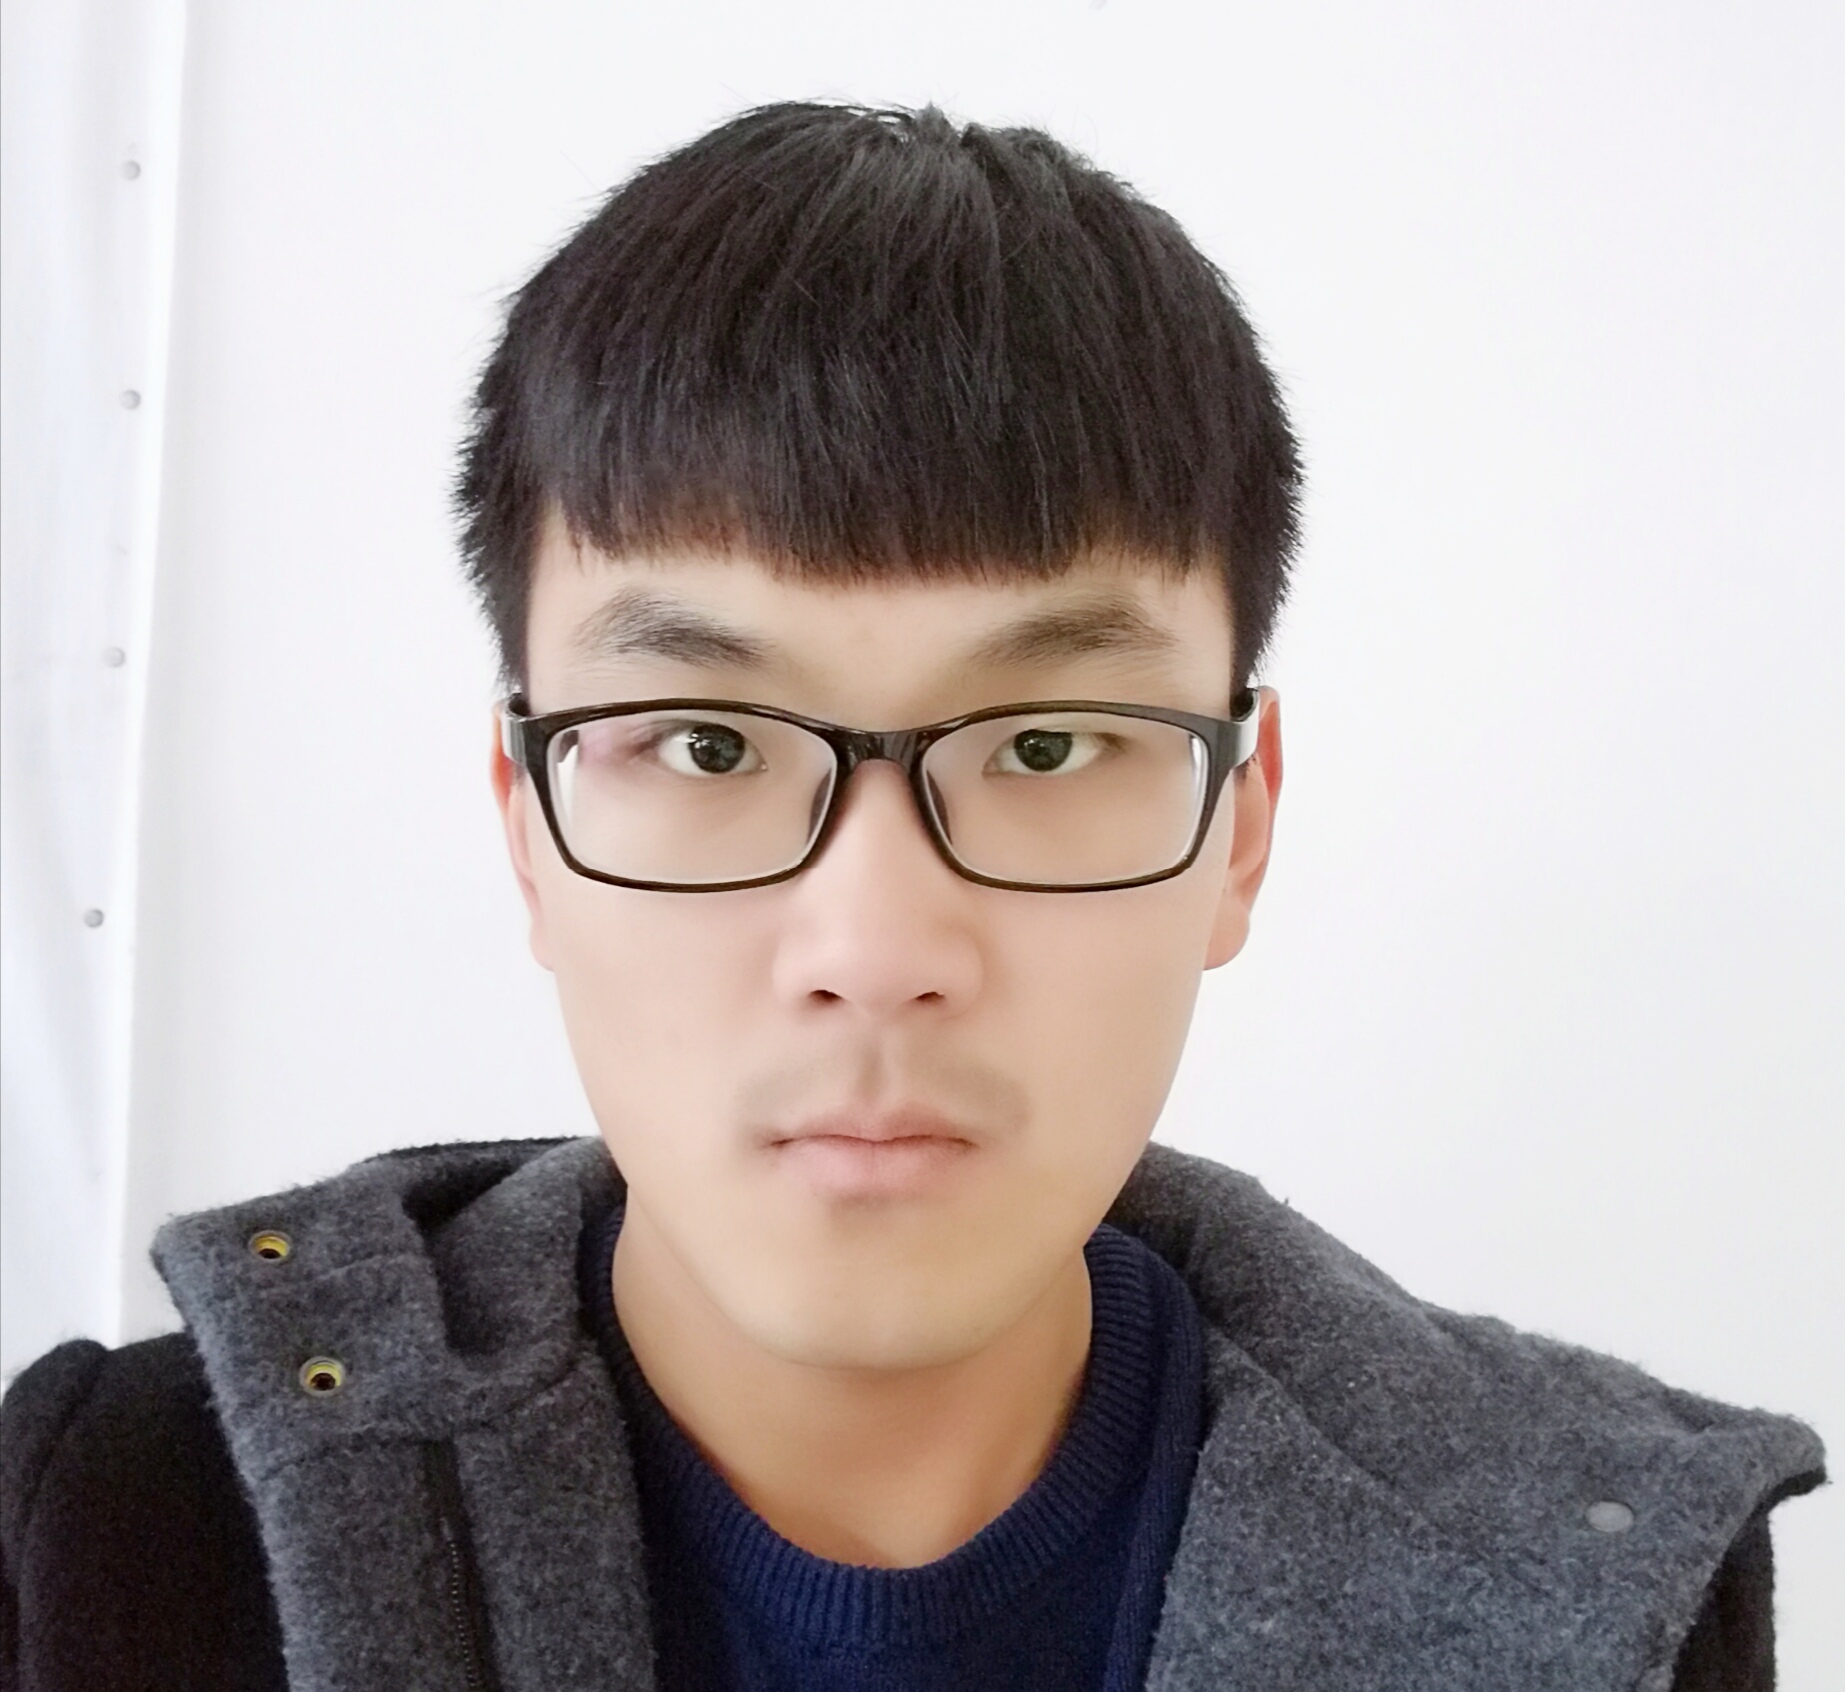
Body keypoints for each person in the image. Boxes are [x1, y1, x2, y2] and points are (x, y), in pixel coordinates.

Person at [0, 100, 1823, 1692]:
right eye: (705, 745)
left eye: (1045, 746)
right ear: (528, 829)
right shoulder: (115, 1528)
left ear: (1240, 827)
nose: (873, 952)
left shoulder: (1613, 1583)